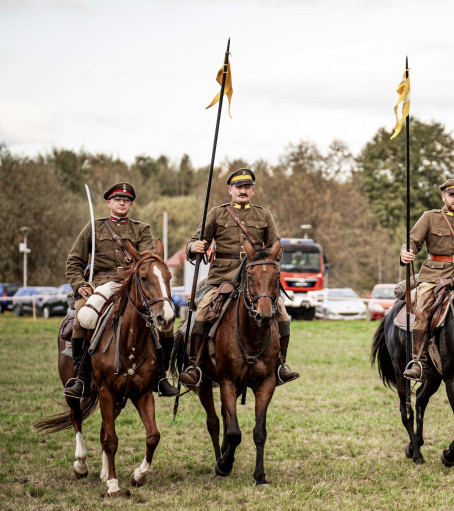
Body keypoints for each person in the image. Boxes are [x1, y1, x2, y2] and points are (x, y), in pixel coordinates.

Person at [178, 168, 298, 388]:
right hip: (221, 278)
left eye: (247, 187)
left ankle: (280, 366)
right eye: (238, 187)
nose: (243, 191)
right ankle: (194, 366)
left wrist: (264, 256)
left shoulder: (264, 215)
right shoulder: (217, 213)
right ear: (230, 190)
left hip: (254, 280)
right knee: (202, 310)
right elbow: (194, 241)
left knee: (282, 314)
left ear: (253, 190)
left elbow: (276, 249)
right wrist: (193, 247)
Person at [64, 182, 178, 399]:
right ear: (109, 203)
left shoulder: (141, 229)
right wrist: (80, 285)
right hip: (100, 284)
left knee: (166, 321)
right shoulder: (94, 227)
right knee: (82, 315)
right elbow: (74, 261)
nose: (122, 203)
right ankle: (81, 376)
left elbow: (148, 258)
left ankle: (161, 377)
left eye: (126, 200)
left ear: (131, 204)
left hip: (132, 284)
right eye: (117, 199)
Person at [400, 178, 454, 381]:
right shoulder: (429, 217)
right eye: (452, 195)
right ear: (444, 196)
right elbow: (412, 241)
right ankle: (418, 361)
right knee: (422, 310)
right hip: (434, 276)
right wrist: (406, 252)